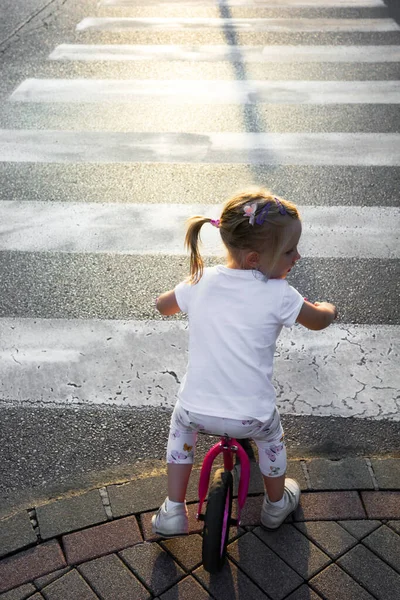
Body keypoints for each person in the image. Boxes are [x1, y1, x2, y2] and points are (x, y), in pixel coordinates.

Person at [152, 188, 337, 537]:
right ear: (254, 258)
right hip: (253, 417)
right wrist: (329, 309)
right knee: (272, 439)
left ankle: (174, 510)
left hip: (197, 410)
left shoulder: (201, 280)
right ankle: (275, 504)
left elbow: (164, 306)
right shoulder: (281, 293)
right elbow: (317, 320)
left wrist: (166, 297)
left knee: (181, 431)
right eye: (289, 251)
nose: (297, 256)